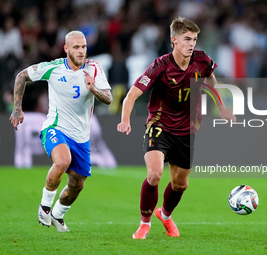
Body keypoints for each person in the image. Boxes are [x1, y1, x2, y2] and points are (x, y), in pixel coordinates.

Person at [117, 17, 236, 239]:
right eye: (187, 39)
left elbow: (211, 80)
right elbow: (131, 95)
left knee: (180, 185)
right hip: (160, 125)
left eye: (195, 39)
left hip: (188, 129)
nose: (192, 44)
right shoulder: (160, 66)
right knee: (154, 175)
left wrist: (221, 107)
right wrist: (125, 120)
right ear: (174, 40)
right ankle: (145, 223)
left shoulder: (202, 61)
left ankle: (166, 215)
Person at [9, 31, 112, 232]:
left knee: (77, 185)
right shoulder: (53, 68)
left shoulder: (94, 68)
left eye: (83, 46)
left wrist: (94, 90)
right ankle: (44, 206)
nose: (81, 51)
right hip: (55, 128)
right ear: (66, 49)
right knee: (62, 161)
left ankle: (57, 214)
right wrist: (17, 108)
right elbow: (22, 76)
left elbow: (108, 98)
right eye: (76, 47)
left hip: (81, 136)